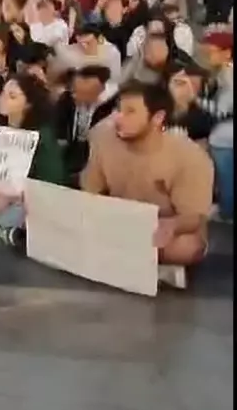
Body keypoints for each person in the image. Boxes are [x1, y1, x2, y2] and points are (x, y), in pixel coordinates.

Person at [81, 82, 214, 288]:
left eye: (130, 112)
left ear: (157, 118)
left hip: (162, 229)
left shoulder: (189, 156)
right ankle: (141, 262)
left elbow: (193, 217)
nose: (118, 118)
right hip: (117, 221)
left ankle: (123, 258)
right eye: (118, 110)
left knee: (187, 247)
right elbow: (90, 191)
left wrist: (171, 226)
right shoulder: (103, 139)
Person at [0, 74, 67, 245]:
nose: (3, 99)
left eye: (12, 96)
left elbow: (50, 181)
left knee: (5, 216)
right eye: (3, 93)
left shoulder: (42, 137)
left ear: (28, 104)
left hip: (31, 198)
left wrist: (14, 195)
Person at [198, 30, 233, 222]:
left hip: (225, 138)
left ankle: (227, 215)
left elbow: (219, 111)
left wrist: (193, 99)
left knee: (226, 179)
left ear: (227, 53)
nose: (208, 57)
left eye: (211, 52)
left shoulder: (229, 76)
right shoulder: (223, 72)